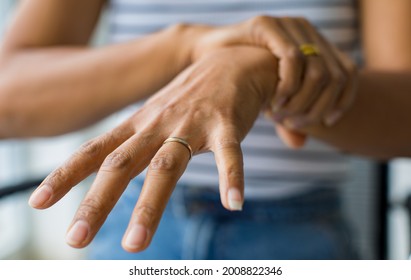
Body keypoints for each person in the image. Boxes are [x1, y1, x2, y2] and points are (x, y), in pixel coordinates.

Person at [0, 0, 410, 259]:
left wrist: (267, 71)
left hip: (297, 236)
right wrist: (189, 48)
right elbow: (8, 97)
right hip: (135, 229)